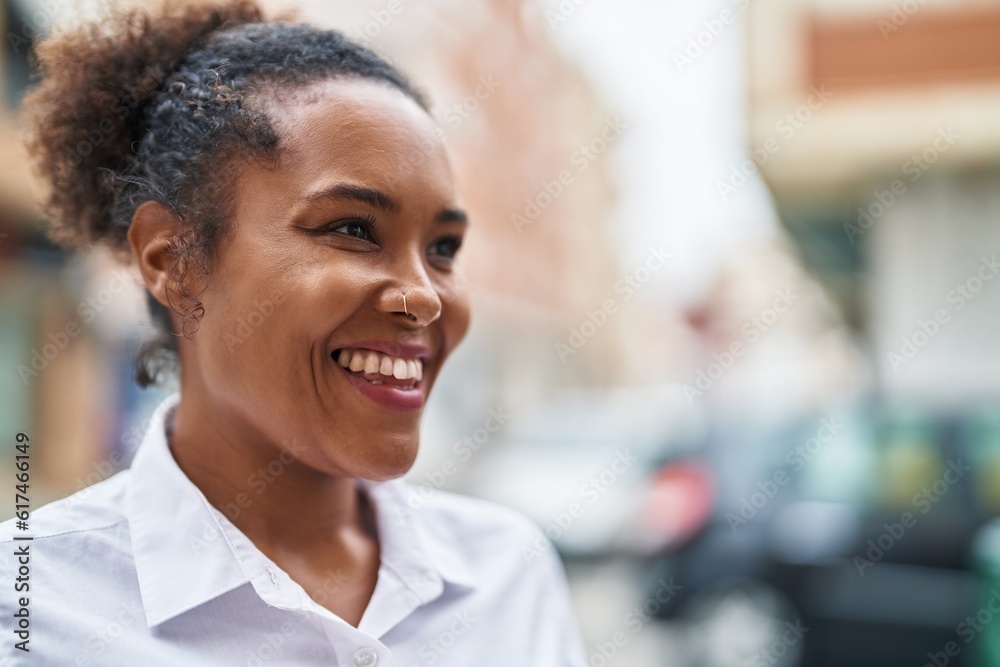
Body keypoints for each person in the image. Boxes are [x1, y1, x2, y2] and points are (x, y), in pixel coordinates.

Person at [0, 1, 587, 664]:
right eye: (354, 229)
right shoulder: (32, 608)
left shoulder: (509, 573)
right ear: (172, 259)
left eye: (444, 247)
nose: (424, 294)